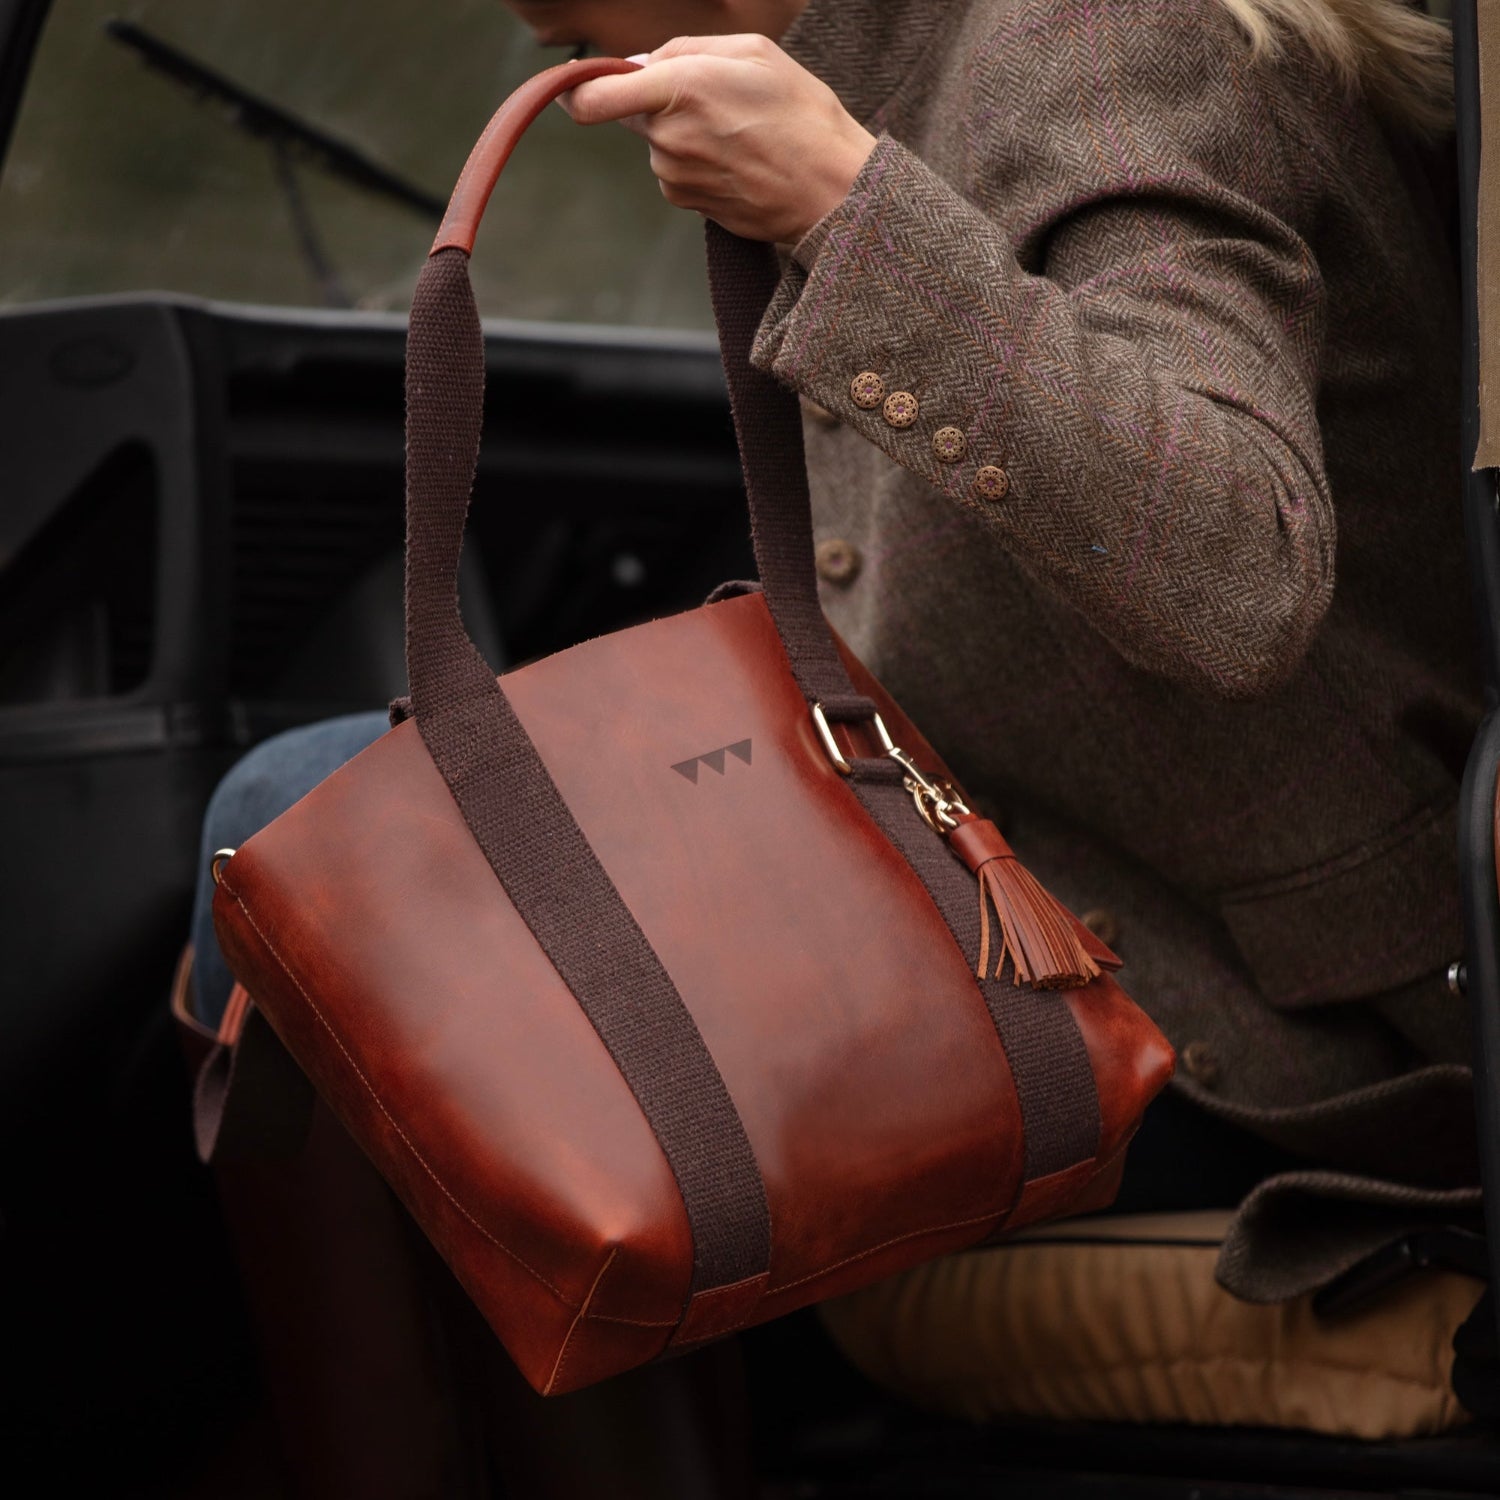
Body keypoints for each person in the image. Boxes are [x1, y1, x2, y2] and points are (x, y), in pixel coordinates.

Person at [193, 0, 1477, 1301]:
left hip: (1261, 1028)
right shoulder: (883, 67)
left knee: (304, 823)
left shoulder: (1102, 38)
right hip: (1004, 870)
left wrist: (837, 206)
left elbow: (1239, 562)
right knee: (332, 838)